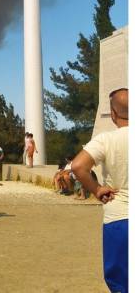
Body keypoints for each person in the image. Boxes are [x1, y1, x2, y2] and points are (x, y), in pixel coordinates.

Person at [71, 88, 128, 293]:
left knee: (122, 283)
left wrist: (97, 189)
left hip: (119, 218)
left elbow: (78, 166)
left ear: (113, 114)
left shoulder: (106, 140)